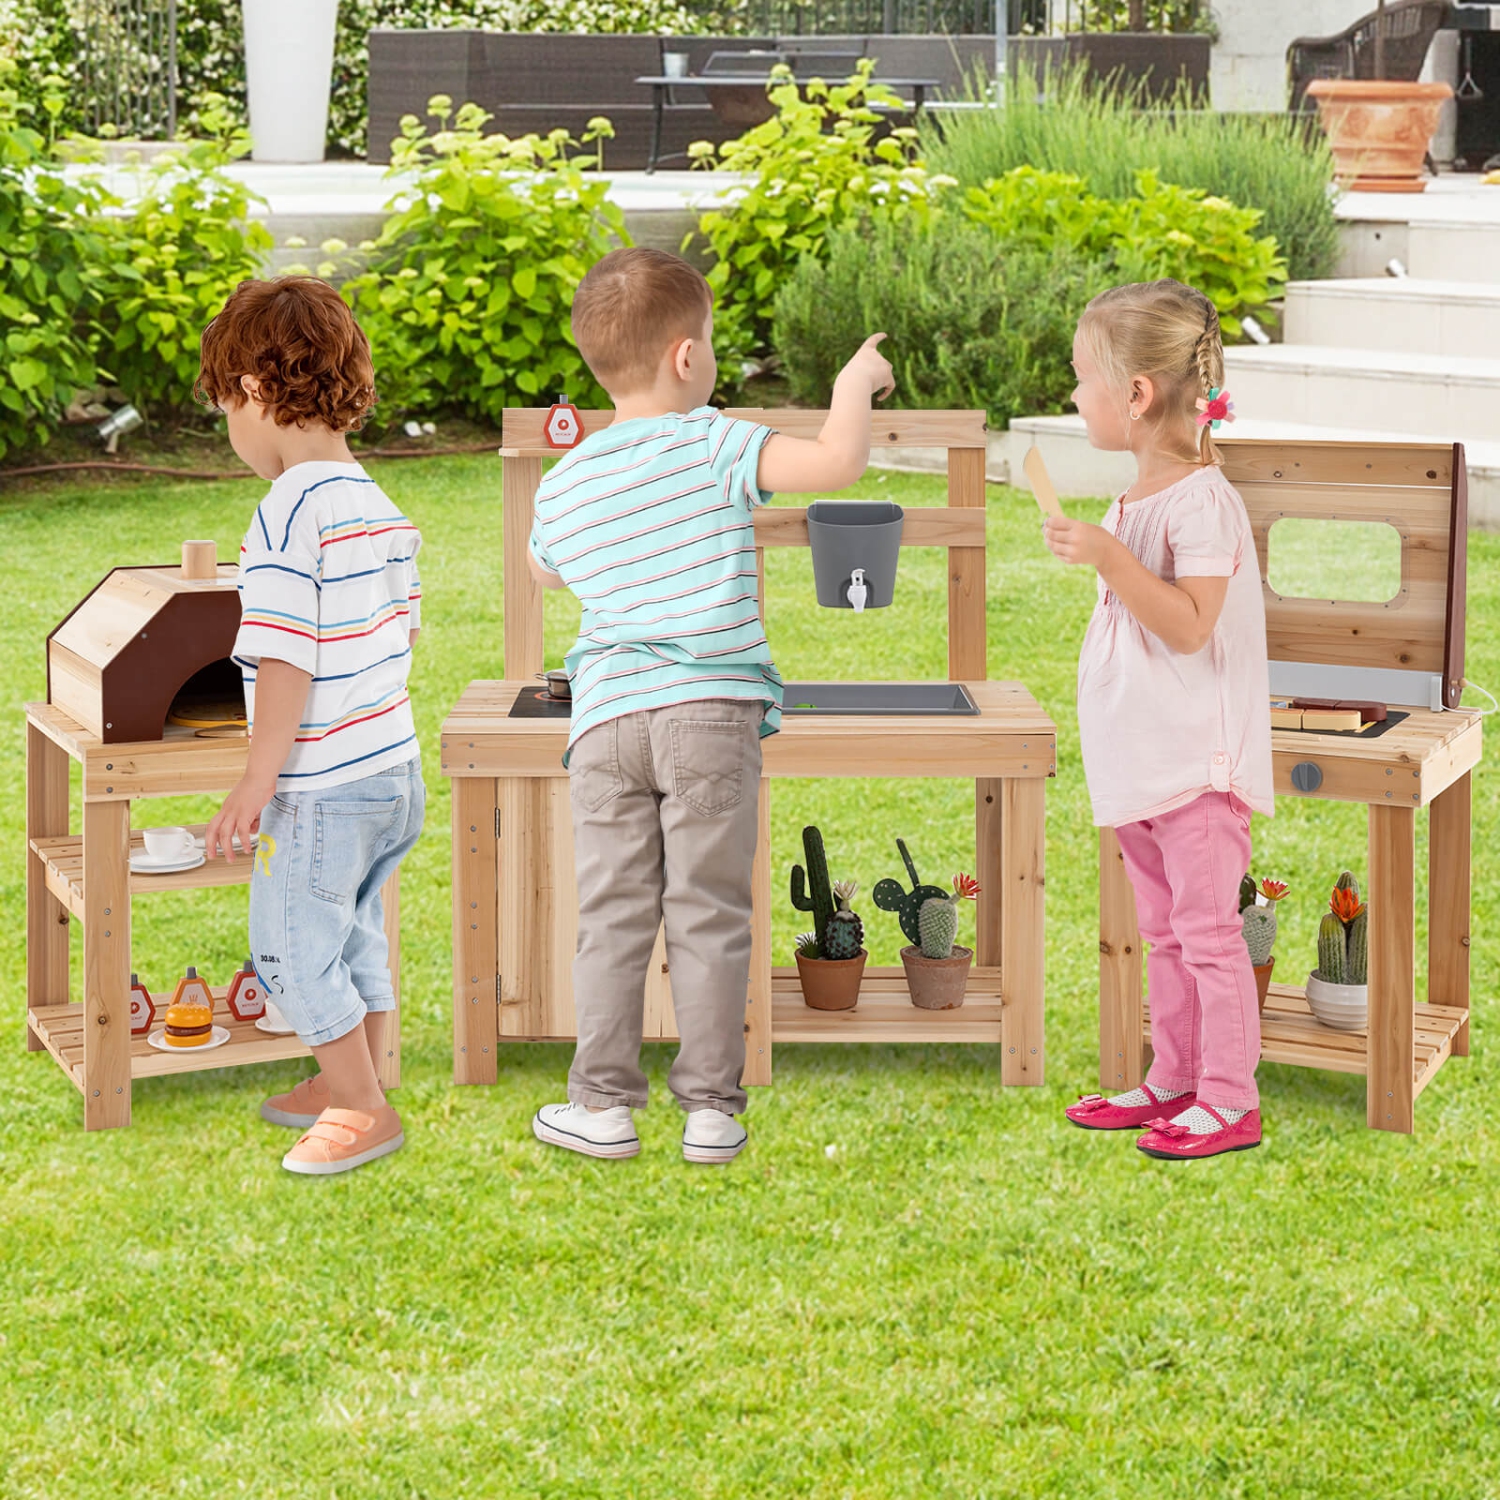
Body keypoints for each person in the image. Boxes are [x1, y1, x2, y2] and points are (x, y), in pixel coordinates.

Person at [527, 247, 894, 1165]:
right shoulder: (717, 440)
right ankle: (709, 1113)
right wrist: (856, 381)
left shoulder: (564, 481)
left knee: (611, 915)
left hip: (606, 721)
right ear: (688, 358)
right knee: (709, 912)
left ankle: (602, 1105)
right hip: (707, 714)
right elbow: (838, 462)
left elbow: (543, 566)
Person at [199, 276, 424, 1177]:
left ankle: (363, 1108)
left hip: (323, 785)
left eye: (226, 408)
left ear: (253, 392)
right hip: (389, 771)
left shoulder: (288, 508)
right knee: (354, 930)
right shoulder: (376, 500)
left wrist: (259, 779)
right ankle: (347, 1083)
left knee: (290, 941)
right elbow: (400, 628)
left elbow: (287, 655)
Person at [1045, 279, 1273, 1162]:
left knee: (1211, 934)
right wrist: (1104, 547)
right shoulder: (1135, 498)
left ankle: (1229, 1098)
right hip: (1142, 766)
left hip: (1195, 771)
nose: (1073, 396)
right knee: (1166, 932)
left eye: (1081, 379)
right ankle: (1175, 1077)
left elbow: (1188, 623)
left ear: (1135, 395)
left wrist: (1105, 555)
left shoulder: (1201, 500)